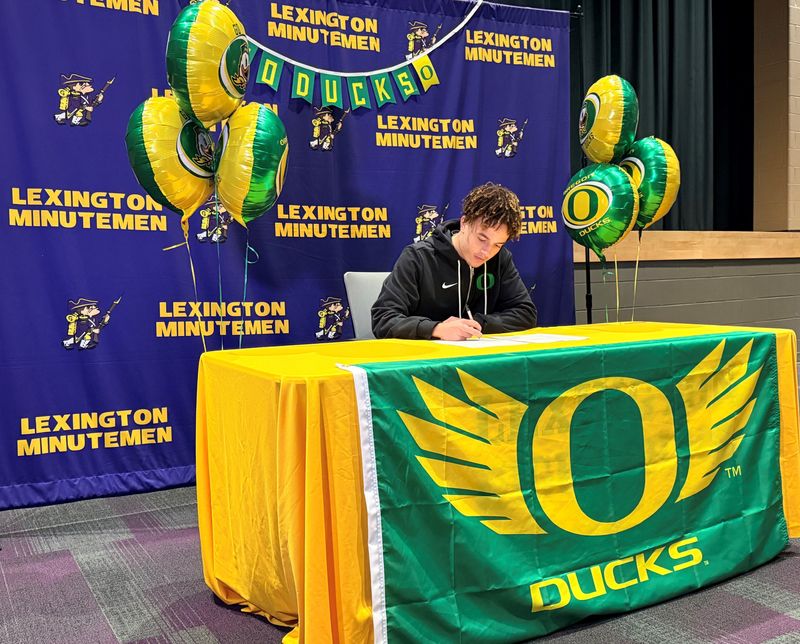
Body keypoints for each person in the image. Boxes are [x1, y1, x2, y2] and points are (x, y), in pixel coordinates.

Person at [372, 182, 537, 340]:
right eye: (481, 239)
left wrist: (475, 325)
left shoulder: (501, 259)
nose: (487, 252)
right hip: (427, 357)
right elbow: (384, 319)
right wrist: (436, 329)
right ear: (464, 223)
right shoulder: (418, 257)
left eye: (498, 245)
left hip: (480, 355)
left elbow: (525, 313)